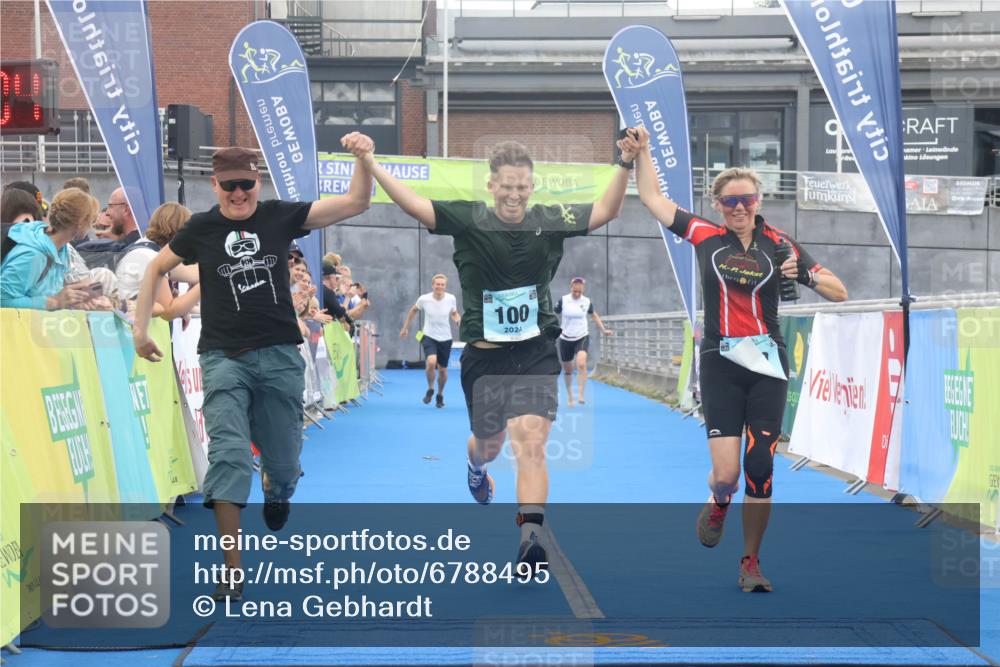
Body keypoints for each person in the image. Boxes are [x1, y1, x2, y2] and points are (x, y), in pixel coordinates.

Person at [358, 138, 634, 565]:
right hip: (485, 358)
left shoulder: (550, 218)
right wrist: (371, 161)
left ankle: (530, 537)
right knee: (490, 445)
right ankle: (476, 467)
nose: (514, 194)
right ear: (491, 185)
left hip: (535, 351)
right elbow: (414, 204)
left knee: (532, 443)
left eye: (522, 186)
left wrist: (624, 162)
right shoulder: (469, 218)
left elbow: (606, 211)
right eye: (506, 186)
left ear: (531, 186)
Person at [132, 135, 374, 602]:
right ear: (214, 185)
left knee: (284, 464)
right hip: (223, 358)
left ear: (257, 182)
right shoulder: (200, 228)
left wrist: (362, 159)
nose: (238, 194)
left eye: (245, 184)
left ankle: (278, 488)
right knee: (228, 457)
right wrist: (140, 331)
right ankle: (231, 569)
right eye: (229, 187)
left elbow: (357, 202)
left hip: (281, 355)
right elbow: (154, 269)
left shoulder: (281, 216)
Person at [625, 126, 848, 593]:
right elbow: (651, 197)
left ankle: (751, 562)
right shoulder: (704, 235)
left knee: (761, 466)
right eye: (730, 202)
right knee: (727, 475)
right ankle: (719, 501)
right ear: (718, 207)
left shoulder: (781, 244)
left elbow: (839, 290)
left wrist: (803, 275)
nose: (740, 207)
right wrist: (642, 152)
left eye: (747, 199)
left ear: (759, 200)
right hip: (721, 362)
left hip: (767, 365)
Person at [1, 187, 103, 310]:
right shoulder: (33, 254)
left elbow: (43, 293)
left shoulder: (60, 248)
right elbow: (4, 300)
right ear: (80, 222)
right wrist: (54, 302)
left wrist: (69, 302)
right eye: (91, 221)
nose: (91, 228)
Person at [400, 274, 460, 408]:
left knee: (443, 370)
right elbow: (413, 311)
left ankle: (440, 394)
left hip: (445, 338)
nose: (439, 286)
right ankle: (431, 388)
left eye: (442, 284)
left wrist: (458, 321)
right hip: (428, 336)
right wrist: (405, 328)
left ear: (445, 286)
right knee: (431, 362)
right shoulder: (424, 299)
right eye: (437, 284)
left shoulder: (451, 298)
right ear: (433, 285)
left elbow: (454, 313)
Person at [554, 277, 612, 407]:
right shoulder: (563, 300)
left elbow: (594, 315)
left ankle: (580, 394)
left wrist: (604, 330)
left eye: (580, 291)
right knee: (568, 370)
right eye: (575, 290)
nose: (577, 293)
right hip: (565, 338)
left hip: (582, 336)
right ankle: (570, 396)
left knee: (581, 363)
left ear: (583, 289)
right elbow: (553, 314)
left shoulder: (586, 302)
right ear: (571, 287)